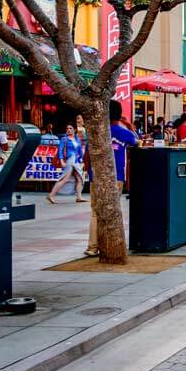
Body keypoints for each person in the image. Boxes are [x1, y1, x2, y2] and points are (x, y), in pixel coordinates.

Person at [88, 100, 138, 257]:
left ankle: (92, 246)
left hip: (95, 176)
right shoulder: (124, 132)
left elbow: (86, 154)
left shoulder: (96, 131)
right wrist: (129, 125)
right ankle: (110, 245)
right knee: (113, 211)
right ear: (120, 114)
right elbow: (137, 142)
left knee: (95, 212)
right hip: (116, 176)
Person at [47, 123, 85, 204]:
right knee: (65, 178)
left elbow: (80, 151)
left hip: (76, 161)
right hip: (70, 160)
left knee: (80, 178)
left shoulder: (77, 139)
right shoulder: (64, 139)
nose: (69, 130)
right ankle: (51, 195)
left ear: (74, 130)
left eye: (70, 128)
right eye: (67, 128)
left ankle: (79, 197)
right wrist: (61, 161)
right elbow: (60, 151)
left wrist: (82, 160)